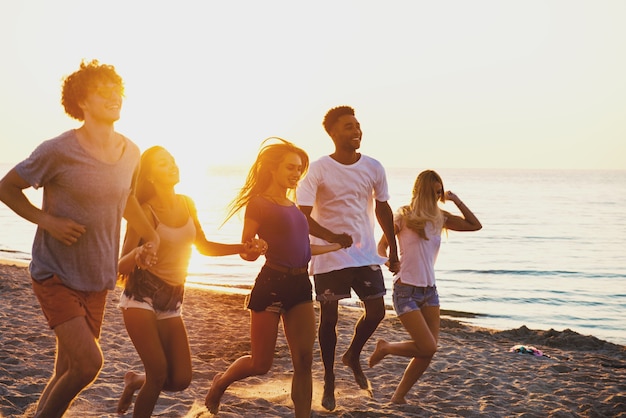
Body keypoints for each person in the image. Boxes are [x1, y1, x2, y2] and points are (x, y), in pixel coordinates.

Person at [0, 60, 159, 418]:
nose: (113, 95)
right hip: (54, 272)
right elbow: (6, 187)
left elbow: (126, 199)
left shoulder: (131, 151)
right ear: (81, 102)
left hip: (97, 278)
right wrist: (48, 221)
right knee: (88, 365)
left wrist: (151, 236)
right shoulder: (57, 150)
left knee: (67, 368)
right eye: (102, 90)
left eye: (116, 88)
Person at [115, 146, 266, 417]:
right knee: (158, 373)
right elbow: (120, 265)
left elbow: (203, 246)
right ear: (149, 176)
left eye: (172, 161)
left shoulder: (187, 202)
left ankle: (135, 381)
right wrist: (138, 255)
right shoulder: (145, 211)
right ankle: (144, 383)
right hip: (140, 299)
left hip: (172, 301)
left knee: (181, 379)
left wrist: (242, 248)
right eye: (163, 164)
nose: (172, 165)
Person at [205, 137, 344, 418]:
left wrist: (335, 245)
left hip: (300, 285)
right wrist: (255, 249)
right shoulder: (259, 204)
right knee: (260, 364)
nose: (295, 174)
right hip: (271, 284)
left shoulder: (294, 207)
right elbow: (247, 249)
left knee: (304, 360)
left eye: (299, 169)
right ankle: (220, 383)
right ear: (273, 169)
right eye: (290, 168)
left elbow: (303, 247)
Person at [296, 105, 400, 411]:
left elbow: (383, 208)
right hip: (329, 258)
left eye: (357, 126)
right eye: (348, 127)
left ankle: (352, 354)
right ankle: (329, 379)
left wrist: (392, 249)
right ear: (333, 133)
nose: (356, 131)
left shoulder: (373, 167)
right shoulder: (318, 169)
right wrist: (330, 238)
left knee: (377, 311)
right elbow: (301, 216)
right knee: (329, 319)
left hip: (365, 254)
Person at [369, 169, 482, 404]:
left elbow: (475, 225)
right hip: (405, 290)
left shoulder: (441, 217)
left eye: (439, 191)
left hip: (430, 292)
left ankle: (398, 397)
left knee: (427, 350)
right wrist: (388, 260)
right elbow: (381, 246)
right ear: (421, 190)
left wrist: (456, 200)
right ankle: (386, 347)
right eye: (433, 191)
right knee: (428, 347)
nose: (437, 195)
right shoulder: (403, 215)